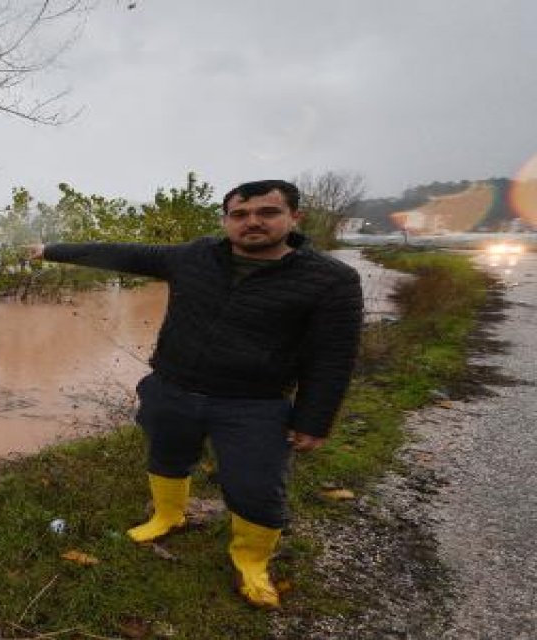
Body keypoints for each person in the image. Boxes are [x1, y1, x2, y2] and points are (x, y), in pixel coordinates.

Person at [26, 179, 363, 608]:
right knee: (167, 457)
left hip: (255, 403)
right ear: (225, 220)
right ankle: (168, 516)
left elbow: (333, 357)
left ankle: (251, 561)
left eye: (267, 213)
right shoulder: (194, 256)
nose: (252, 222)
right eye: (239, 215)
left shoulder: (331, 280)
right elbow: (124, 252)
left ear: (294, 218)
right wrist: (51, 250)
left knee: (256, 486)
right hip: (173, 389)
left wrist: (314, 420)